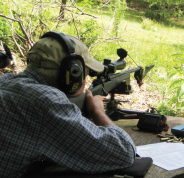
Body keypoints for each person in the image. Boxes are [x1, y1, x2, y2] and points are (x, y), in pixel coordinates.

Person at [0, 32, 136, 178]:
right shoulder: (47, 102)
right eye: (86, 72)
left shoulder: (5, 81)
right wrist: (98, 112)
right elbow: (124, 152)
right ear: (73, 75)